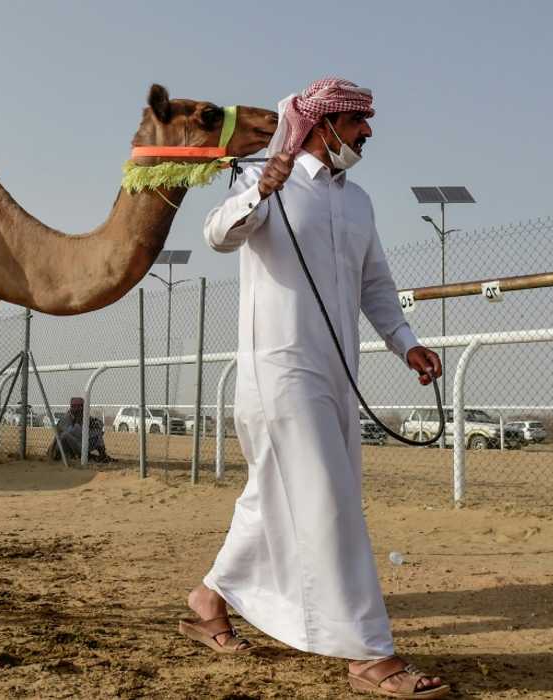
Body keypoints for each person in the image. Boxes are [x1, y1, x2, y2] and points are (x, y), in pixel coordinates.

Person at [184, 78, 448, 699]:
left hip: (336, 373)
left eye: (367, 120)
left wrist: (404, 341)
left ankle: (207, 601)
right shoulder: (267, 184)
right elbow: (217, 235)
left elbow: (375, 284)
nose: (367, 132)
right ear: (320, 126)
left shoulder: (358, 203)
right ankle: (368, 654)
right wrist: (261, 191)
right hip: (279, 372)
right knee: (328, 500)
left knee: (273, 496)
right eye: (357, 120)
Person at [48, 397, 111, 463]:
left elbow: (100, 425)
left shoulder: (86, 418)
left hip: (81, 444)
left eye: (80, 406)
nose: (78, 409)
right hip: (67, 447)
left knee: (98, 433)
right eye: (75, 406)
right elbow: (61, 435)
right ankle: (79, 456)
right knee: (65, 435)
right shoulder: (65, 419)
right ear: (71, 407)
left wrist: (92, 426)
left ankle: (102, 455)